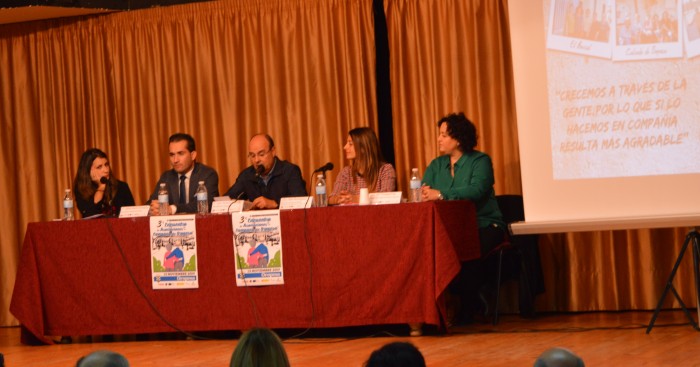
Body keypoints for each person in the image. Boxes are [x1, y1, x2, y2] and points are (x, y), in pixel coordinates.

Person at [421, 112, 506, 324]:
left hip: (484, 224)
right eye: (439, 134)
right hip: (447, 228)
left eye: (444, 135)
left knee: (466, 248)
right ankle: (440, 309)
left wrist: (441, 194)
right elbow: (424, 192)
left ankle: (468, 306)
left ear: (458, 138)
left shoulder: (480, 161)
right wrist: (428, 194)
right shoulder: (436, 165)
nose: (439, 139)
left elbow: (476, 190)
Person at [224, 134, 307, 209]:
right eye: (252, 156)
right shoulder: (247, 176)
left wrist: (275, 203)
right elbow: (226, 201)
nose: (256, 160)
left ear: (273, 151)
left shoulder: (290, 171)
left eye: (261, 154)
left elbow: (302, 201)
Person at [148, 133, 219, 215]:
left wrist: (172, 208)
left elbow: (205, 204)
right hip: (172, 227)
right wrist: (154, 208)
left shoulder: (207, 174)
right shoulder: (166, 177)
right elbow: (151, 203)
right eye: (172, 155)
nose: (175, 160)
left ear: (193, 155)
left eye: (180, 153)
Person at [328, 127, 396, 205]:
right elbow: (331, 198)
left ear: (363, 148)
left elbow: (387, 197)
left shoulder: (385, 170)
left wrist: (356, 198)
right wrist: (340, 199)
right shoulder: (346, 172)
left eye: (350, 144)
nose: (345, 147)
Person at [73, 148, 135, 218]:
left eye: (106, 165)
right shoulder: (81, 189)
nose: (106, 170)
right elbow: (90, 215)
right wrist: (101, 187)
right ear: (88, 171)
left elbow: (132, 216)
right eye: (99, 167)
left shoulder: (121, 187)